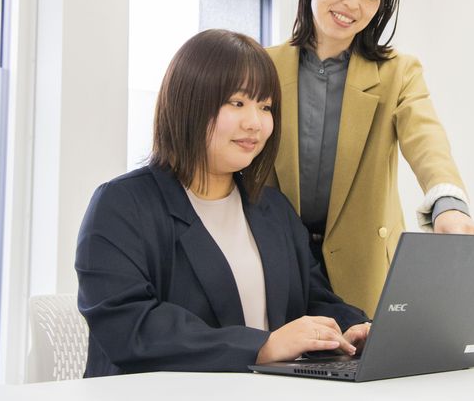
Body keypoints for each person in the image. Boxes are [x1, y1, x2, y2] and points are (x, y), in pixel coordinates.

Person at [75, 29, 370, 376]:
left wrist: (355, 327)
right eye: (237, 103)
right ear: (189, 103)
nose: (255, 123)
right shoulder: (121, 205)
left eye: (265, 107)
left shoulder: (273, 209)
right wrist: (262, 347)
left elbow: (312, 298)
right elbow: (131, 327)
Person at [267, 0, 474, 317]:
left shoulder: (398, 71)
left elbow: (426, 137)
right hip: (276, 261)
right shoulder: (262, 67)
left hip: (363, 266)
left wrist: (449, 205)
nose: (353, 3)